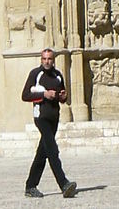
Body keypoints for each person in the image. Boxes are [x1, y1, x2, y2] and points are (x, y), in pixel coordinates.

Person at [21, 47, 77, 199]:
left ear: (53, 60)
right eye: (44, 59)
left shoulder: (58, 75)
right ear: (41, 59)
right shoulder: (35, 74)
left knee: (42, 153)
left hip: (54, 117)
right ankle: (64, 184)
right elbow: (25, 95)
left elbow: (62, 96)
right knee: (52, 150)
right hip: (41, 117)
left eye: (49, 59)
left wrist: (63, 97)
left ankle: (30, 186)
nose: (47, 61)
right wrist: (44, 94)